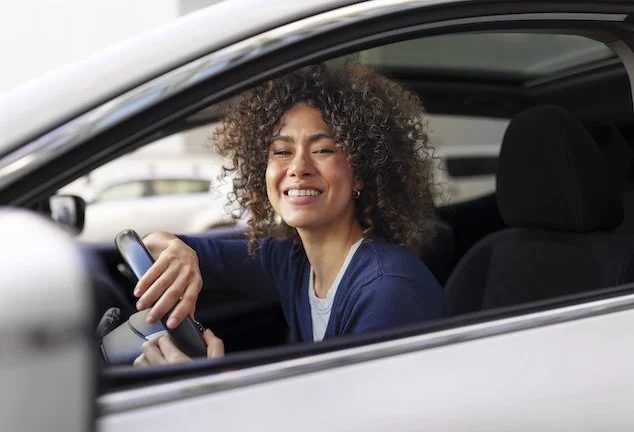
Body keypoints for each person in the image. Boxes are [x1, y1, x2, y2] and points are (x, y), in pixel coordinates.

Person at [132, 60, 445, 367]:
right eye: (282, 152)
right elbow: (155, 245)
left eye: (323, 150)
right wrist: (177, 251)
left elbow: (359, 417)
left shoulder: (387, 290)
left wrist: (204, 387)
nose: (298, 169)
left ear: (361, 172)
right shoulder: (293, 260)